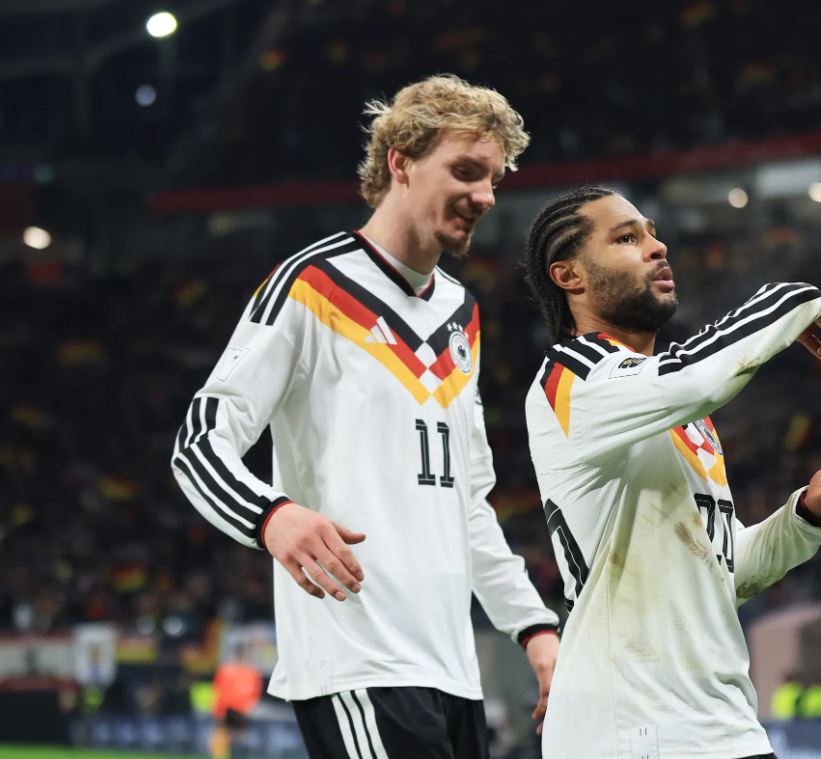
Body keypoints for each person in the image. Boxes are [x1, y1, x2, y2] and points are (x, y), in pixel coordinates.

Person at [171, 74, 559, 759]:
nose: (485, 196)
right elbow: (199, 444)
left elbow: (468, 505)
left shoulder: (461, 314)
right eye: (465, 172)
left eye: (494, 179)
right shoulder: (311, 284)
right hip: (358, 663)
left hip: (452, 670)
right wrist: (271, 517)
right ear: (400, 163)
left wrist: (534, 629)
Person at [520, 186, 821, 759]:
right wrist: (794, 300)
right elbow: (695, 377)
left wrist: (807, 514)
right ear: (569, 275)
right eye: (626, 238)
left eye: (653, 234)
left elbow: (722, 574)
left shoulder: (680, 414)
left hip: (716, 724)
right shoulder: (572, 380)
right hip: (634, 730)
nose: (657, 248)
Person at [210, 644, 263, 759]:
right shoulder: (226, 671)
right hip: (227, 709)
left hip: (241, 711)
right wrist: (218, 711)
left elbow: (255, 694)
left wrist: (249, 708)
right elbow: (218, 691)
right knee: (223, 737)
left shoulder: (252, 673)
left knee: (239, 737)